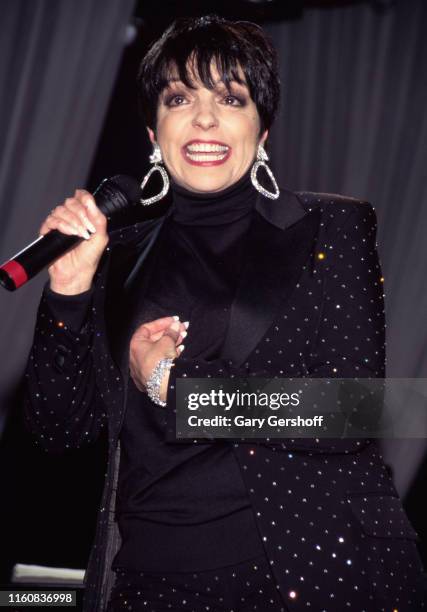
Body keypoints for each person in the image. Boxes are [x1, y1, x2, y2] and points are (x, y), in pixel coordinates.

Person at [22, 14, 427, 612]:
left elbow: (358, 409)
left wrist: (172, 384)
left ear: (262, 133)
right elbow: (59, 432)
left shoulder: (330, 228)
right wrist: (69, 293)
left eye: (231, 98)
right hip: (148, 579)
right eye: (180, 97)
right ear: (154, 135)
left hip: (306, 572)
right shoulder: (118, 257)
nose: (205, 118)